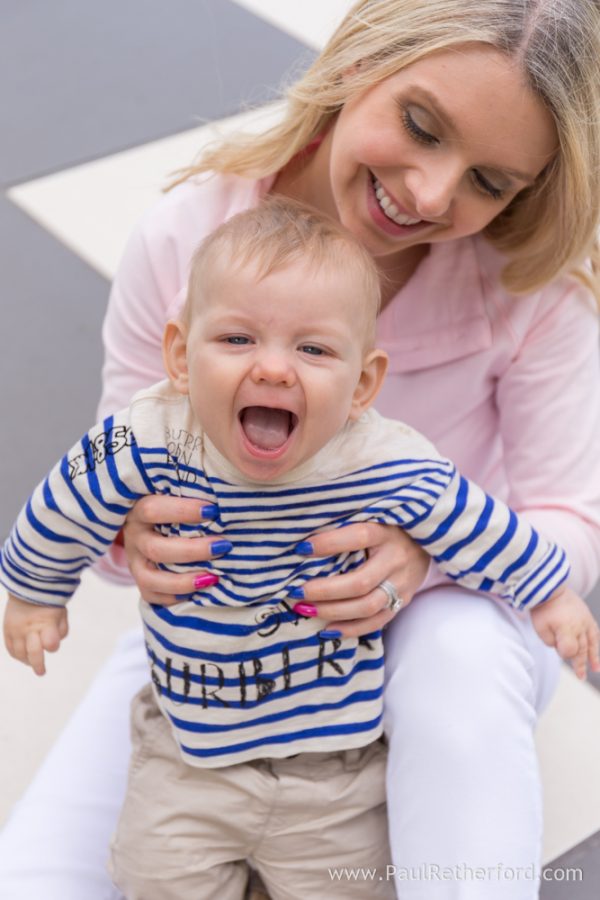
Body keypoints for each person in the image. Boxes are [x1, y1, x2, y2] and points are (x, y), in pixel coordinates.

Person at [1, 1, 600, 898]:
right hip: (228, 632)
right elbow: (113, 471)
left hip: (456, 617)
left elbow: (571, 523)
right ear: (356, 63)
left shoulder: (530, 289)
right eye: (421, 125)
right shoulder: (186, 235)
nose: (431, 195)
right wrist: (133, 546)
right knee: (37, 879)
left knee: (458, 664)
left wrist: (425, 559)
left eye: (490, 181)